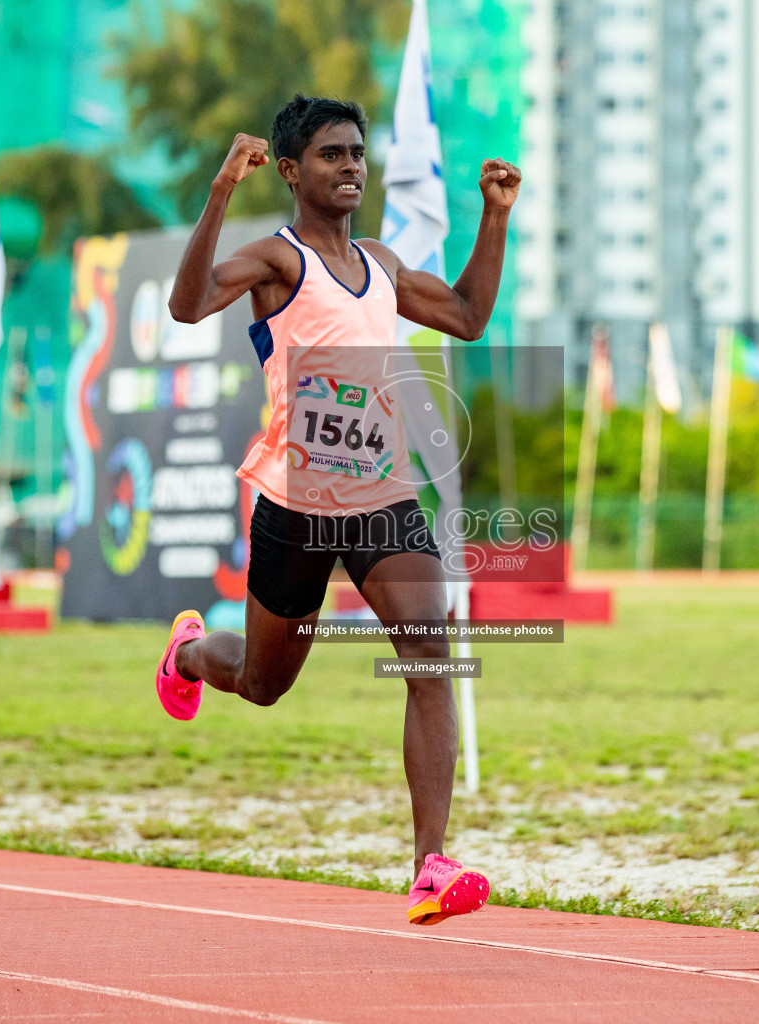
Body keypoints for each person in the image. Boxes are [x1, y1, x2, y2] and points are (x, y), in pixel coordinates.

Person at [157, 94, 519, 926]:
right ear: (289, 170)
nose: (351, 166)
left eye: (357, 153)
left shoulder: (384, 267)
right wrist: (218, 193)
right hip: (296, 500)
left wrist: (493, 218)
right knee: (261, 682)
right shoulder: (276, 261)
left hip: (383, 496)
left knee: (429, 642)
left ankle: (429, 865)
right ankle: (186, 654)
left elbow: (465, 316)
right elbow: (186, 304)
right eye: (331, 155)